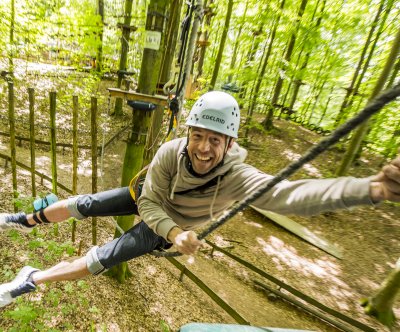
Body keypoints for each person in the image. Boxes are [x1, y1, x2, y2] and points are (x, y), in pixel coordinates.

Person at [1, 90, 400, 308]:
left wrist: (371, 189)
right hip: (152, 200)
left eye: (215, 140)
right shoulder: (169, 153)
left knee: (101, 258)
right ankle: (26, 219)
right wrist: (173, 229)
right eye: (198, 136)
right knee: (84, 203)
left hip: (168, 228)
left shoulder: (238, 177)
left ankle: (30, 280)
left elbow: (292, 194)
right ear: (188, 133)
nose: (204, 148)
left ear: (229, 143)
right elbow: (150, 202)